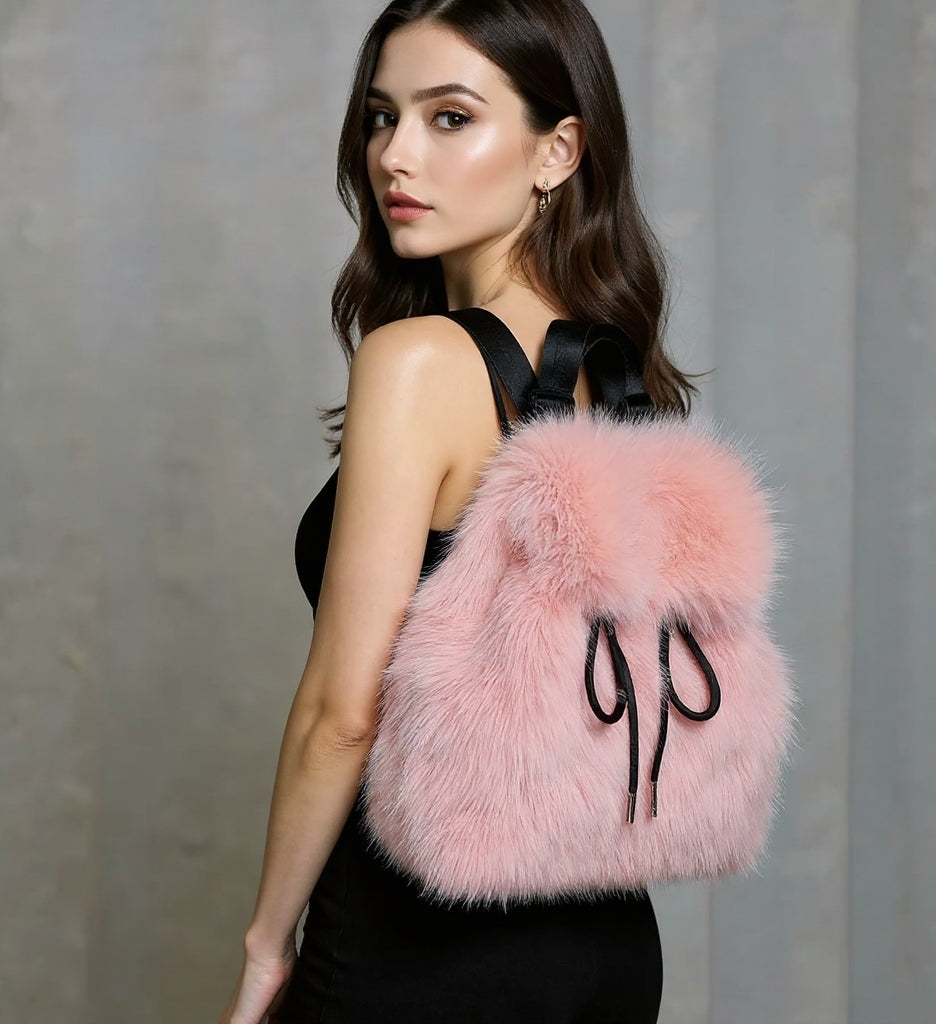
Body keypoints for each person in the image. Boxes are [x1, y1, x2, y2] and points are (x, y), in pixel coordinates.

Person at [218, 1, 702, 1021]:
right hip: (610, 945)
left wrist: (267, 940)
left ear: (556, 150)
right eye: (380, 116)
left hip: (419, 944)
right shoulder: (617, 373)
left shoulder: (419, 363)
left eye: (449, 117)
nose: (396, 156)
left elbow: (342, 713)